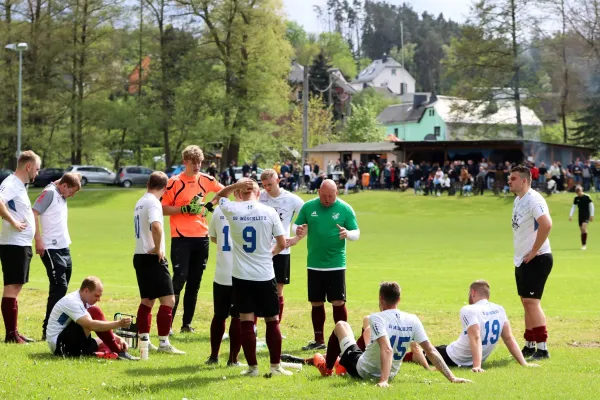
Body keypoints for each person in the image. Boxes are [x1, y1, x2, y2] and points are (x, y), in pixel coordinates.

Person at [310, 282, 472, 386]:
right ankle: (334, 365)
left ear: (381, 299)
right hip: (392, 372)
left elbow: (386, 348)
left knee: (341, 325)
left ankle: (328, 368)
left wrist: (383, 381)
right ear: (399, 300)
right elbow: (430, 350)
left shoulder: (377, 318)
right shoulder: (412, 319)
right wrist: (452, 377)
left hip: (363, 370)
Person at [215, 178, 292, 376]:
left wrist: (233, 186)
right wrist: (270, 253)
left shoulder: (233, 210)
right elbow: (282, 244)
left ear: (240, 193)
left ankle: (253, 368)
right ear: (258, 193)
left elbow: (220, 196)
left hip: (241, 276)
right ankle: (275, 367)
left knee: (247, 321)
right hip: (265, 274)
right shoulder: (269, 212)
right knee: (272, 320)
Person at [292, 180, 359, 368]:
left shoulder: (345, 209)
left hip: (336, 264)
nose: (327, 200)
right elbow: (296, 226)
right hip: (314, 264)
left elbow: (357, 232)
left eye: (331, 196)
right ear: (318, 192)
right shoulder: (308, 207)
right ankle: (318, 339)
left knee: (338, 301)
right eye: (324, 196)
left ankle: (343, 341)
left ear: (336, 192)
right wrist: (297, 230)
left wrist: (348, 233)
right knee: (316, 302)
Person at [406, 280, 539, 371]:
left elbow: (475, 338)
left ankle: (401, 357)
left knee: (420, 353)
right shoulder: (499, 309)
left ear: (473, 292)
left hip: (453, 357)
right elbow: (509, 339)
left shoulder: (468, 309)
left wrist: (477, 366)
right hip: (468, 355)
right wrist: (524, 363)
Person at [161, 145, 224, 333]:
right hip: (181, 238)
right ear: (185, 163)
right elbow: (163, 209)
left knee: (195, 283)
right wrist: (184, 209)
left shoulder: (207, 179)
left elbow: (223, 192)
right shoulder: (174, 182)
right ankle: (168, 325)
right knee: (179, 279)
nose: (197, 166)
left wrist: (208, 208)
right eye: (193, 163)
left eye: (199, 162)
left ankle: (186, 324)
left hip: (201, 237)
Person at [134, 172, 185, 354]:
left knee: (147, 301)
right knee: (169, 300)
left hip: (139, 255)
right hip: (152, 257)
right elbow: (156, 225)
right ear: (165, 188)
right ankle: (164, 342)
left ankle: (144, 342)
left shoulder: (140, 201)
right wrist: (158, 248)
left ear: (148, 183)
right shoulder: (154, 202)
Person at [508, 165, 553, 360]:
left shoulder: (534, 199)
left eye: (513, 178)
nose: (509, 181)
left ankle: (542, 348)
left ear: (524, 180)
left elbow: (547, 224)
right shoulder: (518, 200)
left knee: (532, 303)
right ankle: (529, 344)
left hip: (538, 257)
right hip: (523, 259)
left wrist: (534, 251)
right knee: (525, 302)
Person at [33, 172, 81, 341]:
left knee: (64, 286)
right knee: (58, 287)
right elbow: (34, 213)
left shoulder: (61, 191)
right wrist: (38, 239)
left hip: (64, 247)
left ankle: (58, 326)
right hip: (51, 248)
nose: (72, 196)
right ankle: (48, 329)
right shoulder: (50, 193)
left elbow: (75, 175)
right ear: (64, 185)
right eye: (71, 192)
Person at [0, 150, 41, 343]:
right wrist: (14, 222)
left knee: (15, 287)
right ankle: (11, 335)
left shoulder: (19, 185)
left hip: (20, 244)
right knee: (11, 288)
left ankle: (14, 332)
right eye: (37, 169)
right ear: (29, 166)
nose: (38, 173)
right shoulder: (11, 184)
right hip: (14, 244)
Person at [46, 276, 138, 360]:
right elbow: (90, 325)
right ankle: (119, 352)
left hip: (68, 341)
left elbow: (98, 328)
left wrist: (118, 339)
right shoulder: (72, 301)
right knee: (94, 311)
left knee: (103, 340)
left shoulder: (83, 299)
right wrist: (118, 324)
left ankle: (100, 353)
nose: (99, 299)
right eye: (97, 295)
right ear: (86, 291)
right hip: (60, 345)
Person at [259, 170, 304, 326]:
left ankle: (275, 326)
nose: (267, 188)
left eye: (270, 184)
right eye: (264, 185)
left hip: (282, 250)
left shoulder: (291, 199)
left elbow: (309, 218)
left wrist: (297, 238)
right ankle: (254, 328)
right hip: (262, 250)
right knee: (258, 288)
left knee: (278, 290)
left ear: (278, 180)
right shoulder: (260, 197)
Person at [205, 189, 244, 366]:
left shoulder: (220, 210)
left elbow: (213, 237)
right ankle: (233, 359)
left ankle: (214, 356)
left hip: (222, 273)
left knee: (219, 315)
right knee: (238, 317)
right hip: (242, 273)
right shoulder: (252, 211)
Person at [569, 185, 594, 250]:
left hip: (586, 215)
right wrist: (570, 215)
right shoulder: (576, 198)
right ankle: (583, 244)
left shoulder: (587, 197)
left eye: (579, 191)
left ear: (581, 190)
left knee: (583, 228)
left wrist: (592, 215)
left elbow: (591, 206)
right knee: (582, 231)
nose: (578, 193)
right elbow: (573, 207)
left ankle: (584, 245)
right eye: (577, 192)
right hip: (580, 216)